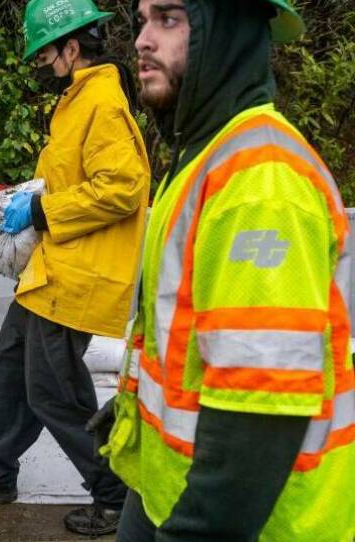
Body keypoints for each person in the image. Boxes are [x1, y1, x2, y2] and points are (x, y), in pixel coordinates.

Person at [90, 1, 355, 540]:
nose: (142, 39)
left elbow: (260, 410)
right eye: (142, 20)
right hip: (169, 484)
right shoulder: (202, 157)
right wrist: (133, 408)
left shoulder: (261, 183)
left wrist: (197, 531)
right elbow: (185, 339)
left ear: (229, 34)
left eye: (169, 19)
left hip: (259, 520)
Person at [0, 0, 151, 536]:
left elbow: (122, 189)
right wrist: (36, 200)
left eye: (46, 54)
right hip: (51, 271)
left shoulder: (101, 102)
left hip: (78, 275)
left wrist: (39, 209)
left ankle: (114, 494)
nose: (42, 66)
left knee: (54, 390)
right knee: (8, 370)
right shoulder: (77, 101)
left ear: (71, 48)